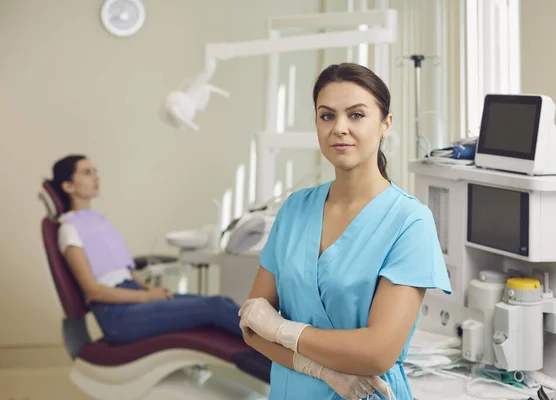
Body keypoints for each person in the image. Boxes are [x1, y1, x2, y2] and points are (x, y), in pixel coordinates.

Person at [238, 63, 452, 400]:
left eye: (356, 115)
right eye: (327, 116)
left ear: (385, 124)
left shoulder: (410, 222)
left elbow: (377, 353)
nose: (340, 128)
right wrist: (321, 370)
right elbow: (252, 327)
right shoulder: (295, 209)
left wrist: (279, 329)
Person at [51, 154, 242, 345]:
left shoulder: (99, 222)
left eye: (95, 171)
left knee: (222, 302)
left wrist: (148, 288)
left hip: (132, 297)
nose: (96, 177)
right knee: (215, 307)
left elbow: (122, 270)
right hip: (118, 316)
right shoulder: (69, 229)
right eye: (86, 173)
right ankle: (270, 351)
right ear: (68, 186)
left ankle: (265, 351)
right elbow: (93, 291)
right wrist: (147, 296)